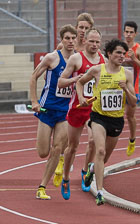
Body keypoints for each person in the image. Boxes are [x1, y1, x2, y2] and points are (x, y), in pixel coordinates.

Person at [79, 39, 136, 205]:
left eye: (123, 53)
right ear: (109, 54)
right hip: (98, 117)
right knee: (100, 151)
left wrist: (125, 88)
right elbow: (79, 82)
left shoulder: (127, 74)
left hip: (116, 120)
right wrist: (82, 97)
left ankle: (91, 169)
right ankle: (100, 192)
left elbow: (133, 103)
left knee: (103, 160)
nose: (121, 56)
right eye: (118, 52)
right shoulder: (97, 70)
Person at [30, 24, 77, 199]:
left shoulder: (77, 60)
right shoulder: (52, 58)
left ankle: (42, 187)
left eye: (73, 38)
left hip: (65, 111)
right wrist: (34, 101)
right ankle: (57, 159)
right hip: (47, 109)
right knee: (43, 152)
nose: (71, 41)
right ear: (61, 40)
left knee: (57, 148)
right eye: (67, 38)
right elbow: (34, 76)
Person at [57, 28, 105, 200]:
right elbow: (61, 81)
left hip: (94, 109)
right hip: (77, 107)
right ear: (84, 41)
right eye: (91, 41)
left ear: (101, 43)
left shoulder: (103, 61)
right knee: (72, 147)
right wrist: (75, 80)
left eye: (97, 42)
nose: (94, 45)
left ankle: (85, 171)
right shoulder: (76, 59)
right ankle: (66, 178)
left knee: (93, 141)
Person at [53, 12, 95, 187]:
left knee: (92, 139)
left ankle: (84, 170)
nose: (83, 31)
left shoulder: (92, 47)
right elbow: (57, 68)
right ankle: (63, 161)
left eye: (87, 28)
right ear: (76, 27)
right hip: (68, 96)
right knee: (68, 141)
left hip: (88, 99)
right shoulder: (66, 45)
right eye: (81, 27)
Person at [122, 21, 140, 156]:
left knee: (130, 116)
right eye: (126, 32)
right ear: (123, 32)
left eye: (131, 32)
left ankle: (132, 140)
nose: (128, 35)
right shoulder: (119, 48)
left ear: (135, 34)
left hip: (133, 88)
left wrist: (134, 60)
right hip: (117, 87)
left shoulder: (139, 49)